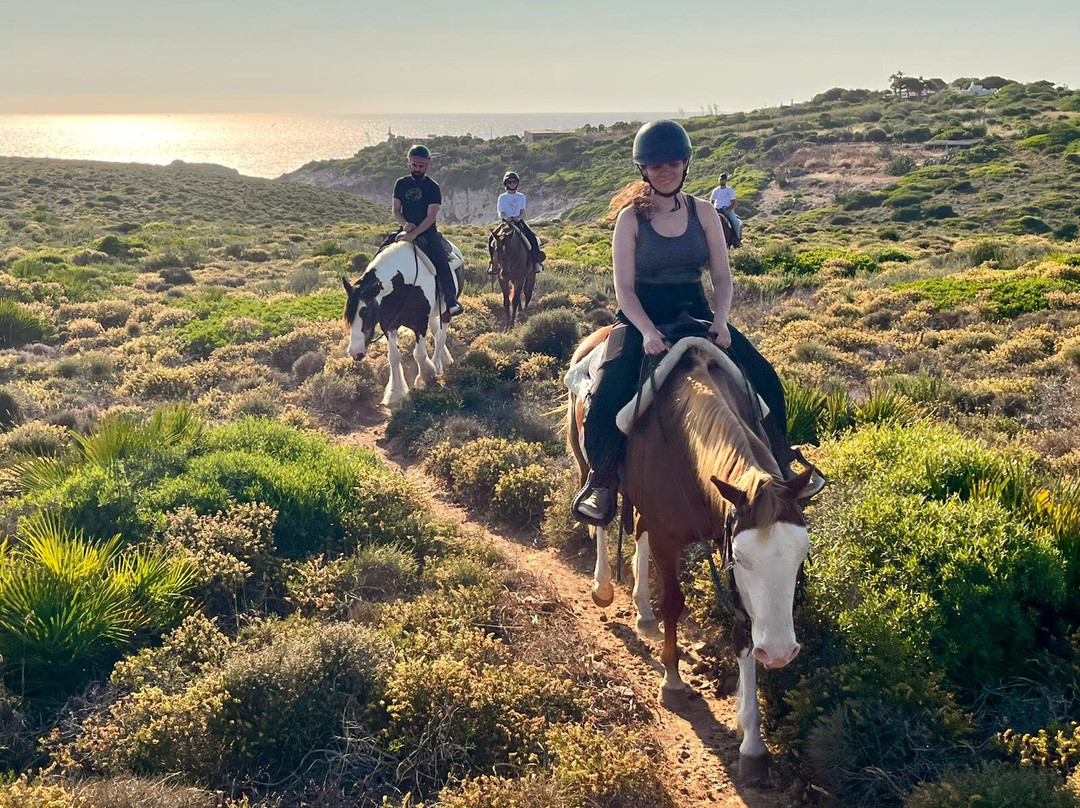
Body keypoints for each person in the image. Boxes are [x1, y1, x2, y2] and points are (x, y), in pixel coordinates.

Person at [572, 121, 823, 525]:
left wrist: (721, 322)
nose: (665, 170)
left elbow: (722, 278)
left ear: (685, 165)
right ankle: (602, 483)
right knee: (606, 396)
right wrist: (647, 332)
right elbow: (624, 289)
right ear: (643, 170)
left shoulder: (703, 212)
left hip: (696, 312)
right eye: (656, 165)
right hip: (642, 316)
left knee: (765, 379)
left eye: (672, 163)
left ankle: (783, 460)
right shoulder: (630, 220)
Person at [392, 144, 463, 316]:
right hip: (405, 230)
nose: (417, 169)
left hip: (427, 232)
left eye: (421, 166)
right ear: (409, 163)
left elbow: (431, 217)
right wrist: (404, 224)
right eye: (414, 165)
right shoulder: (401, 183)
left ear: (427, 165)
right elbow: (396, 211)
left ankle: (451, 301)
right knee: (382, 254)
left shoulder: (433, 187)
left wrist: (414, 234)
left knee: (441, 263)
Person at [489, 171, 546, 274]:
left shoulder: (521, 197)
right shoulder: (502, 197)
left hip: (519, 222)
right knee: (491, 239)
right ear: (506, 183)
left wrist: (519, 218)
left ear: (517, 183)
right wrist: (507, 218)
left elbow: (523, 212)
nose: (512, 184)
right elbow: (501, 213)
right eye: (510, 182)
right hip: (506, 222)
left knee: (532, 238)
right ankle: (493, 264)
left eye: (514, 182)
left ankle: (536, 262)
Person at [709, 172, 742, 246]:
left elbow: (733, 202)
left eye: (723, 180)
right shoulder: (715, 191)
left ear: (726, 180)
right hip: (717, 210)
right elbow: (712, 201)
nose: (721, 181)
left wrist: (729, 210)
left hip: (727, 210)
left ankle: (737, 240)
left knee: (736, 222)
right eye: (720, 179)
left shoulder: (729, 190)